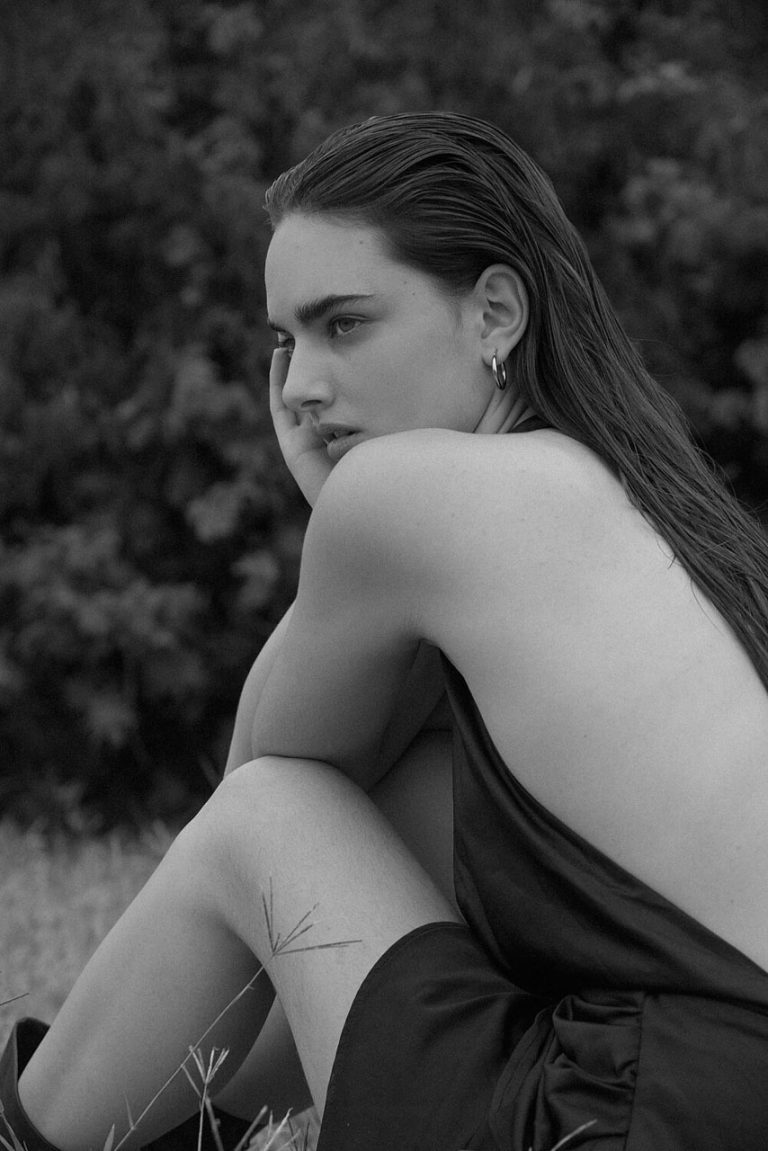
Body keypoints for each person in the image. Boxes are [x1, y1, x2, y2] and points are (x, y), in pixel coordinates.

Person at [3, 110, 768, 1151]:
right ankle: (177, 1129)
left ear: (495, 312)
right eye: (285, 341)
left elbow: (260, 791)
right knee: (429, 793)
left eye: (345, 324)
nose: (300, 387)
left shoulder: (408, 496)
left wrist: (339, 510)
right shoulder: (636, 502)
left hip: (633, 1114)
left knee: (271, 814)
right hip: (701, 1097)